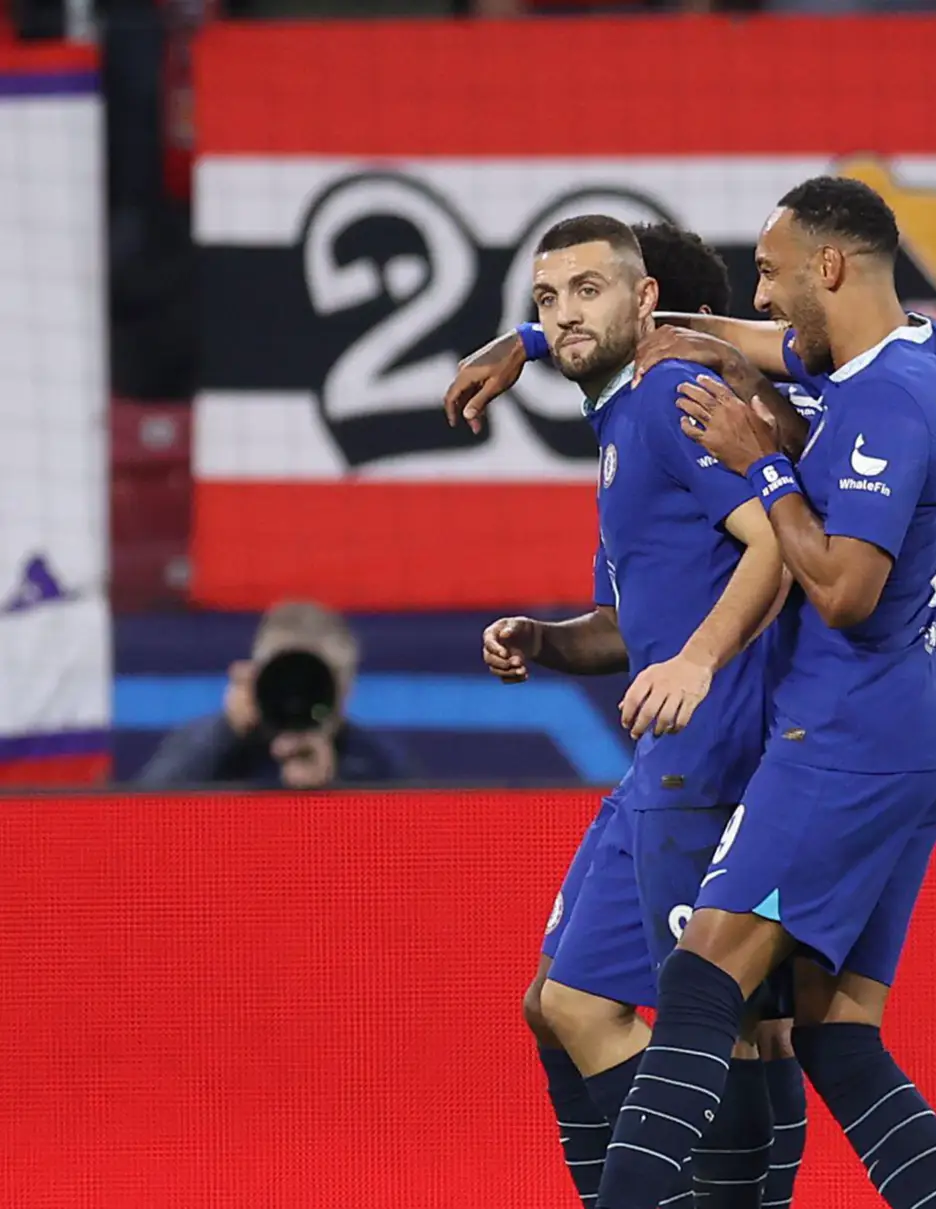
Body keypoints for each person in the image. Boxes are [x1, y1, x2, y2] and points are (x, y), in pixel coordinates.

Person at [592, 176, 936, 1209]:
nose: (758, 300)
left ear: (830, 267)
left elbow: (846, 591)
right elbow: (755, 347)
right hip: (909, 731)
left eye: (768, 273)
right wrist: (544, 343)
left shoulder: (884, 402)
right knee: (834, 1034)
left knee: (700, 984)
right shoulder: (910, 352)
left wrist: (763, 464)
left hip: (847, 733)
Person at [476, 215, 790, 1209]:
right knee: (558, 1004)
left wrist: (699, 663)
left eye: (585, 293)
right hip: (660, 762)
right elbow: (632, 623)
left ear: (647, 302)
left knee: (728, 1027)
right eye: (544, 302)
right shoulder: (621, 419)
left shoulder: (666, 400)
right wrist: (547, 639)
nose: (562, 316)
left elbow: (773, 540)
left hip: (708, 758)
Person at [135, 599, 411, 789]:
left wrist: (332, 790)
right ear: (257, 679)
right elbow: (139, 819)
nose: (300, 697)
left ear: (347, 689)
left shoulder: (376, 764)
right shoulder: (212, 749)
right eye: (288, 680)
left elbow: (409, 854)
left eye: (317, 684)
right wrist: (224, 732)